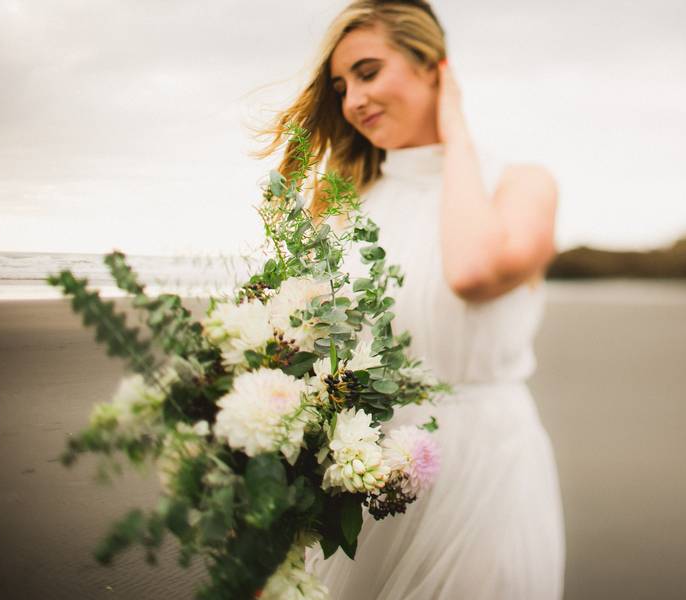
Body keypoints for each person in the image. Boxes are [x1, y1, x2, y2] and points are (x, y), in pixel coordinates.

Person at [255, 1, 565, 597]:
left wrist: (456, 129)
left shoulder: (522, 185)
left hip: (485, 475)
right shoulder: (342, 202)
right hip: (363, 476)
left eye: (369, 73)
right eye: (342, 87)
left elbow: (473, 271)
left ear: (433, 68)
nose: (352, 102)